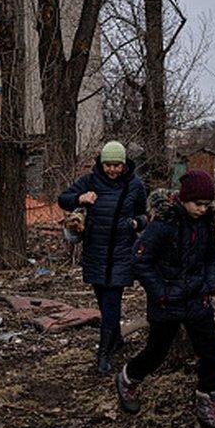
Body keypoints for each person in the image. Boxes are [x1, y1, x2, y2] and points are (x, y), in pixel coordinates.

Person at [115, 169, 215, 428]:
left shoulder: (207, 223)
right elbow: (140, 261)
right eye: (199, 204)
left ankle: (208, 404)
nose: (204, 209)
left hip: (197, 299)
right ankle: (128, 378)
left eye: (208, 204)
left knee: (211, 351)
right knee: (156, 353)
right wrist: (160, 293)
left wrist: (210, 284)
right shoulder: (163, 223)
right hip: (166, 302)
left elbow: (212, 256)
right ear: (184, 199)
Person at [58, 141, 148, 374]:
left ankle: (104, 355)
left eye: (117, 165)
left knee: (111, 304)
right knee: (102, 298)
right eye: (108, 165)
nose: (113, 170)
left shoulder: (135, 185)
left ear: (124, 164)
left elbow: (145, 214)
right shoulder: (90, 181)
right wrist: (80, 198)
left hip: (121, 252)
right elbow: (63, 199)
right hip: (95, 251)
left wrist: (138, 223)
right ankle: (116, 339)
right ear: (101, 163)